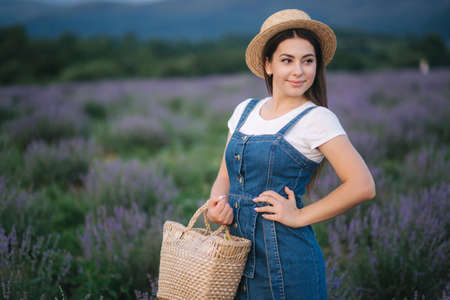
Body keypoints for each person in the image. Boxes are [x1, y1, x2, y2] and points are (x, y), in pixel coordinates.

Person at [206, 9, 376, 300]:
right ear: (268, 64)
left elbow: (363, 185)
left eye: (307, 61)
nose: (299, 71)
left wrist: (299, 216)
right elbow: (225, 175)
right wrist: (217, 205)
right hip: (232, 256)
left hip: (284, 261)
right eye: (287, 60)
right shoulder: (244, 110)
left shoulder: (317, 119)